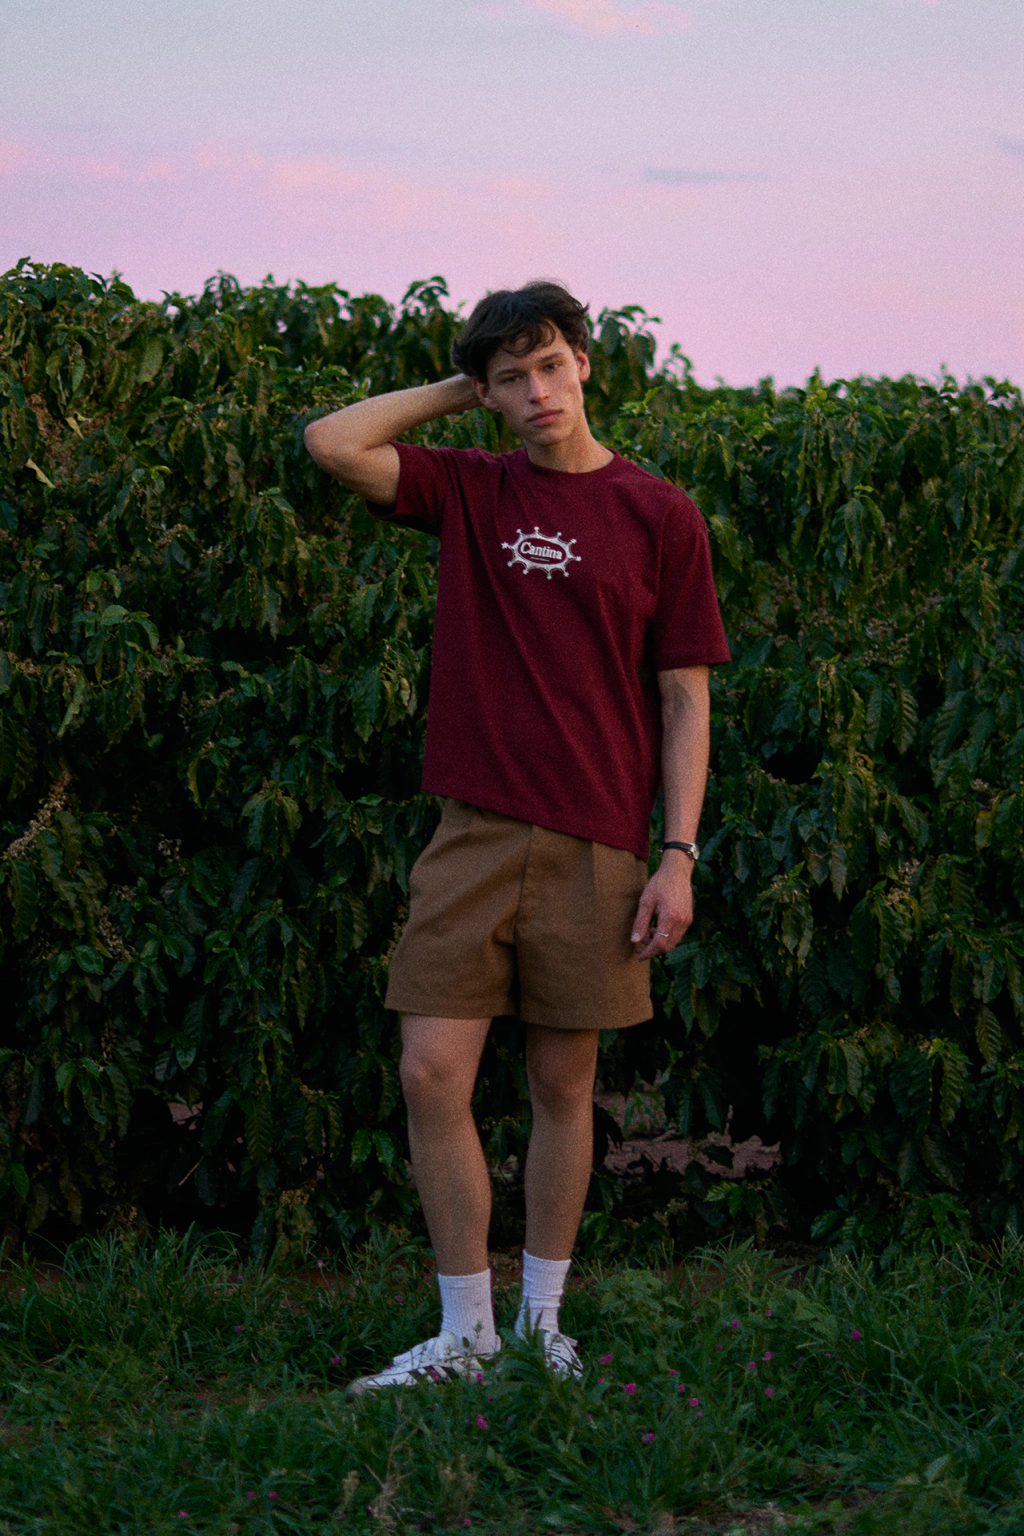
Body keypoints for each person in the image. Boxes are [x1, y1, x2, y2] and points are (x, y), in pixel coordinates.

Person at [303, 281, 730, 1392]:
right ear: (487, 395)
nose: (537, 392)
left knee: (562, 1088)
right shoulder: (472, 488)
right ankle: (465, 1335)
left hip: (598, 842)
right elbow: (332, 442)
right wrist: (464, 386)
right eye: (511, 378)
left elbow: (684, 697)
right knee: (430, 1073)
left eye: (549, 365)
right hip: (473, 833)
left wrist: (677, 853)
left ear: (584, 362)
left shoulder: (660, 514)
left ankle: (542, 1328)